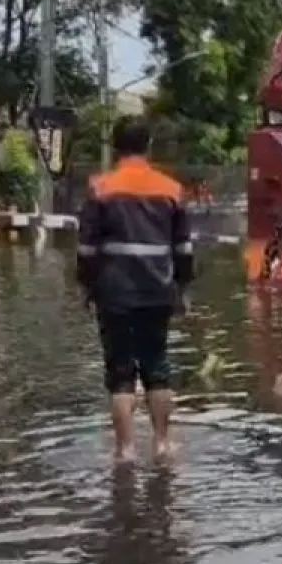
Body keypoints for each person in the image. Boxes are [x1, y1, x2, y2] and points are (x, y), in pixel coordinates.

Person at [76, 119, 194, 463]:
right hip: (158, 290)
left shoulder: (101, 188)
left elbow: (87, 249)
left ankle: (125, 450)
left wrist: (87, 287)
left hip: (114, 293)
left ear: (115, 147)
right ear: (149, 145)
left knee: (120, 371)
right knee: (157, 366)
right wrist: (181, 289)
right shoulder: (171, 189)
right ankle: (161, 444)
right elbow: (184, 249)